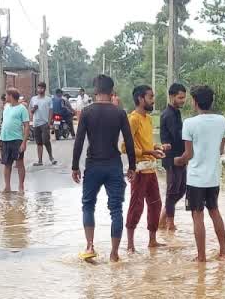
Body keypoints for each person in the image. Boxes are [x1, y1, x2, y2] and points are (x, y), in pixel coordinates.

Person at [71, 74, 136, 262]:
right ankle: (115, 254)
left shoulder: (87, 112)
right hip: (114, 165)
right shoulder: (120, 113)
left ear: (95, 91)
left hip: (93, 165)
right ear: (111, 91)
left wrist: (75, 166)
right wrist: (132, 165)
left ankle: (90, 246)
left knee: (88, 205)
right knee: (116, 209)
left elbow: (79, 141)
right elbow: (129, 142)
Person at [174, 85, 225, 262]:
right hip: (213, 178)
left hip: (196, 179)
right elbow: (220, 150)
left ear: (195, 102)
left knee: (197, 215)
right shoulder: (222, 121)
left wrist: (177, 161)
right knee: (214, 211)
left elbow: (188, 155)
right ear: (211, 101)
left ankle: (201, 257)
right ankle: (223, 251)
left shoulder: (189, 123)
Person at [122, 85, 166, 252]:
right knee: (137, 205)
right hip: (139, 170)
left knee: (155, 204)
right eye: (150, 97)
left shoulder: (148, 119)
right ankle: (130, 245)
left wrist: (159, 147)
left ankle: (152, 241)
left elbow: (146, 143)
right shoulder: (133, 119)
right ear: (140, 99)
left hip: (151, 169)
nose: (153, 100)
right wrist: (149, 151)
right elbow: (124, 147)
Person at [159, 83, 187, 232]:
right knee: (172, 190)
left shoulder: (176, 112)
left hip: (181, 157)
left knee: (181, 189)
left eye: (184, 98)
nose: (183, 100)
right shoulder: (168, 114)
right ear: (171, 96)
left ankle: (163, 218)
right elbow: (177, 136)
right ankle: (169, 223)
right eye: (180, 97)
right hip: (172, 159)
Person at [0, 88, 31, 192]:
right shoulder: (6, 107)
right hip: (5, 139)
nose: (5, 97)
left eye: (7, 95)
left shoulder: (22, 109)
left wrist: (24, 142)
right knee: (7, 164)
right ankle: (7, 186)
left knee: (19, 163)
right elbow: (4, 124)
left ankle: (21, 186)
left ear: (11, 96)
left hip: (17, 139)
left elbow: (26, 126)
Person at [29, 82, 57, 166]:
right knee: (39, 143)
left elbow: (51, 111)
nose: (39, 89)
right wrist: (34, 109)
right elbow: (30, 111)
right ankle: (40, 161)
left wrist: (49, 122)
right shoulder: (33, 99)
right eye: (38, 88)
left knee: (46, 141)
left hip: (45, 123)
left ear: (44, 89)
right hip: (36, 123)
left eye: (41, 88)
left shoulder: (48, 99)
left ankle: (51, 157)